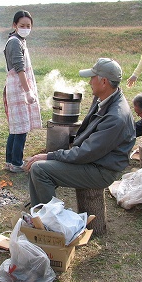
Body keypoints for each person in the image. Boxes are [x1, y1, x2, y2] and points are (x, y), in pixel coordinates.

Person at [25, 58, 135, 206]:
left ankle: (54, 220)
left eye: (92, 78)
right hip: (95, 160)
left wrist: (50, 155)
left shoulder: (116, 117)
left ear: (104, 82)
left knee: (40, 169)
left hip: (102, 170)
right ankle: (39, 212)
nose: (90, 82)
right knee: (37, 166)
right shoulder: (104, 98)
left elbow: (85, 153)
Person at [3, 10, 42, 173]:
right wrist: (28, 92)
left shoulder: (20, 40)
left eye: (28, 26)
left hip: (19, 87)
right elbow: (20, 69)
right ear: (14, 25)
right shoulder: (14, 42)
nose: (25, 28)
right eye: (22, 25)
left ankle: (10, 160)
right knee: (21, 128)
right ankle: (16, 162)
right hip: (18, 88)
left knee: (16, 126)